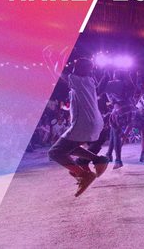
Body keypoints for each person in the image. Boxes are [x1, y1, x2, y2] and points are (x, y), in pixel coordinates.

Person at [46, 58, 108, 197]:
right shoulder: (90, 81)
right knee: (70, 147)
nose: (73, 69)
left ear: (80, 68)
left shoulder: (77, 79)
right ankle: (98, 159)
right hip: (95, 123)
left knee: (55, 152)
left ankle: (83, 175)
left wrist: (50, 58)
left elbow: (58, 72)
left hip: (83, 124)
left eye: (75, 66)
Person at [101, 70, 135, 169]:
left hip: (120, 110)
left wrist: (104, 76)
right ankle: (109, 154)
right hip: (130, 109)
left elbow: (99, 90)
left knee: (116, 134)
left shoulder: (112, 83)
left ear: (115, 74)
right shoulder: (126, 83)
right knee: (113, 129)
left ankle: (118, 160)